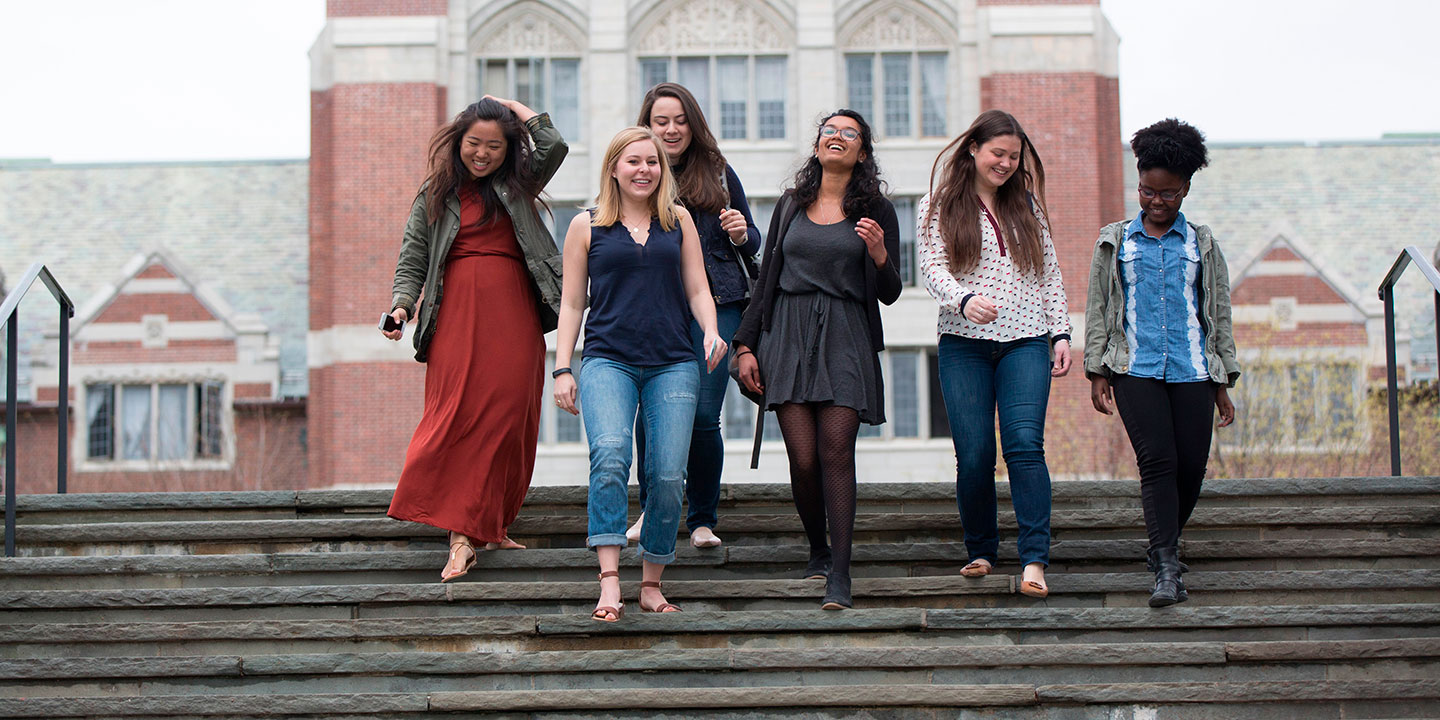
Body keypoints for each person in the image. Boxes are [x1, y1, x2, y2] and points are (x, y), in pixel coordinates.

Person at [383, 96, 568, 582]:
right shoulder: (435, 194)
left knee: (511, 416)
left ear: (508, 150)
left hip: (514, 312)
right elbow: (412, 258)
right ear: (457, 142)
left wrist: (512, 107)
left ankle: (493, 521)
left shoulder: (519, 186)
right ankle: (461, 536)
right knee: (457, 414)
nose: (482, 154)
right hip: (456, 315)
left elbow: (554, 144)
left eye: (493, 146)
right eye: (473, 144)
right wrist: (402, 306)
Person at [553, 126, 727, 622]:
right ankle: (610, 584)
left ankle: (651, 584)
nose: (644, 169)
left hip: (674, 361)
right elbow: (571, 303)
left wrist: (711, 331)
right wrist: (562, 366)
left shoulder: (680, 221)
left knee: (668, 474)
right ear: (614, 168)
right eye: (633, 161)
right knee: (609, 456)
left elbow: (698, 288)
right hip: (608, 359)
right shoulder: (585, 226)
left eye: (652, 162)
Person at [733, 110, 902, 610]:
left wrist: (878, 254)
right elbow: (765, 280)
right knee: (803, 458)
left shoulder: (877, 210)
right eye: (830, 130)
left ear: (863, 152)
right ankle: (817, 548)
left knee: (835, 450)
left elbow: (890, 293)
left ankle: (841, 576)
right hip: (787, 331)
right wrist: (745, 345)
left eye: (850, 133)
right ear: (818, 144)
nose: (838, 137)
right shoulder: (790, 205)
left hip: (847, 333)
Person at [1084, 118, 1239, 607]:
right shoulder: (1115, 241)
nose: (1155, 201)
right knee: (1158, 463)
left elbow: (1217, 311)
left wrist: (1223, 378)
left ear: (1186, 189)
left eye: (1167, 193)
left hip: (1194, 367)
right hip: (1135, 367)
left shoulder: (1202, 243)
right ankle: (1167, 568)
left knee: (1191, 466)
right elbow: (1099, 307)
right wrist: (1097, 368)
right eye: (1147, 191)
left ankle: (1162, 546)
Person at [916, 109, 1071, 600]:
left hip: (1025, 340)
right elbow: (931, 267)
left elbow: (1049, 274)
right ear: (974, 150)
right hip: (963, 343)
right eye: (997, 154)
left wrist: (1061, 334)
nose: (1004, 163)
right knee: (976, 454)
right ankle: (981, 549)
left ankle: (1034, 559)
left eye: (1013, 156)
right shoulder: (937, 205)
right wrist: (962, 299)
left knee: (1025, 444)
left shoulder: (1027, 206)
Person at [625, 82, 762, 550]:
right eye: (661, 121)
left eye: (680, 121)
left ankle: (702, 517)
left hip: (719, 302)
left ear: (694, 124)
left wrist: (743, 232)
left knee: (703, 412)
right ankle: (651, 509)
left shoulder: (718, 171)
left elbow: (754, 241)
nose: (671, 129)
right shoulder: (636, 171)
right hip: (655, 305)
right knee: (652, 410)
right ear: (647, 125)